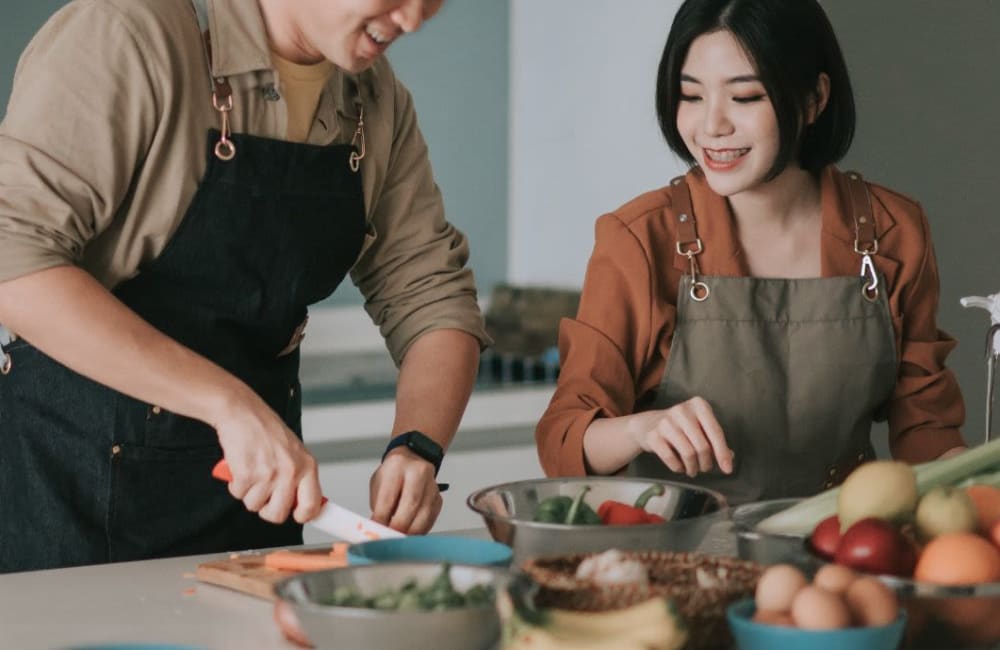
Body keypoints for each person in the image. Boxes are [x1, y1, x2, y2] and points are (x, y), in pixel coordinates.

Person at [0, 0, 490, 573]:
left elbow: (434, 297)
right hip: (70, 496)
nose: (412, 20)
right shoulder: (128, 34)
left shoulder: (376, 103)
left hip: (253, 509)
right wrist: (226, 405)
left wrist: (417, 445)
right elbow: (15, 260)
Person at [535, 0, 967, 505]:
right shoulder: (637, 239)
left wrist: (963, 474)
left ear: (813, 98)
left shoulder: (895, 233)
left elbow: (926, 430)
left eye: (744, 96)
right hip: (679, 559)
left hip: (839, 551)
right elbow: (563, 437)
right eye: (690, 96)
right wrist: (640, 430)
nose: (711, 126)